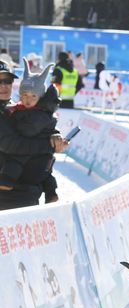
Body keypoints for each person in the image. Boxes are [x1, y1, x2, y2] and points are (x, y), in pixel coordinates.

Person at [0, 61, 68, 210]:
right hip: (8, 197)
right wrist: (49, 144)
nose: (4, 86)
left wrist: (55, 136)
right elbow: (11, 144)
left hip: (28, 192)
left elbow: (41, 125)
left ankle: (51, 191)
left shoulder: (15, 106)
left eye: (7, 81)